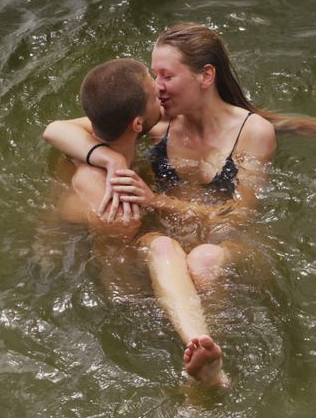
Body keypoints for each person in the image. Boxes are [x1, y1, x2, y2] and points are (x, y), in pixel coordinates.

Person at [45, 24, 316, 386]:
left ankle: (210, 360)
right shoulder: (159, 122)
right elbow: (57, 129)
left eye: (166, 75)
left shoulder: (253, 132)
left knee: (205, 259)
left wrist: (158, 201)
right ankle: (204, 368)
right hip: (167, 248)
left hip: (230, 248)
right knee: (167, 250)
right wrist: (110, 161)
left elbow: (241, 216)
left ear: (206, 76)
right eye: (154, 75)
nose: (156, 86)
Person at [51, 57, 230, 388]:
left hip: (157, 279)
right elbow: (116, 227)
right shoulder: (100, 182)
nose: (160, 89)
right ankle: (199, 346)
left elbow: (54, 129)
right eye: (153, 91)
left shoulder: (108, 142)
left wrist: (113, 158)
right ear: (136, 124)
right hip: (130, 292)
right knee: (164, 246)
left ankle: (206, 367)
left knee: (189, 254)